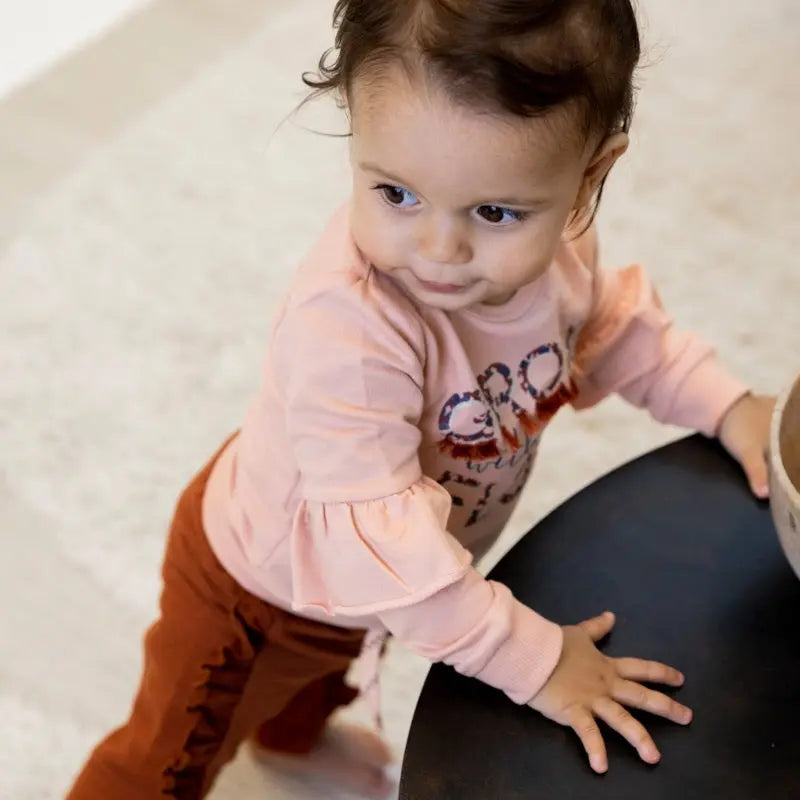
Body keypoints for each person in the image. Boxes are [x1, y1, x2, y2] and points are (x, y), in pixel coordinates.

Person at [66, 1, 776, 798]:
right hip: (256, 595)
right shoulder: (348, 330)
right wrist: (541, 663)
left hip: (369, 573)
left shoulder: (563, 254)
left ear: (589, 178)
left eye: (495, 212)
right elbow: (392, 566)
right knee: (168, 755)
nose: (439, 252)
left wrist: (727, 404)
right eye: (396, 193)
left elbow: (613, 329)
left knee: (330, 666)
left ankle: (291, 740)